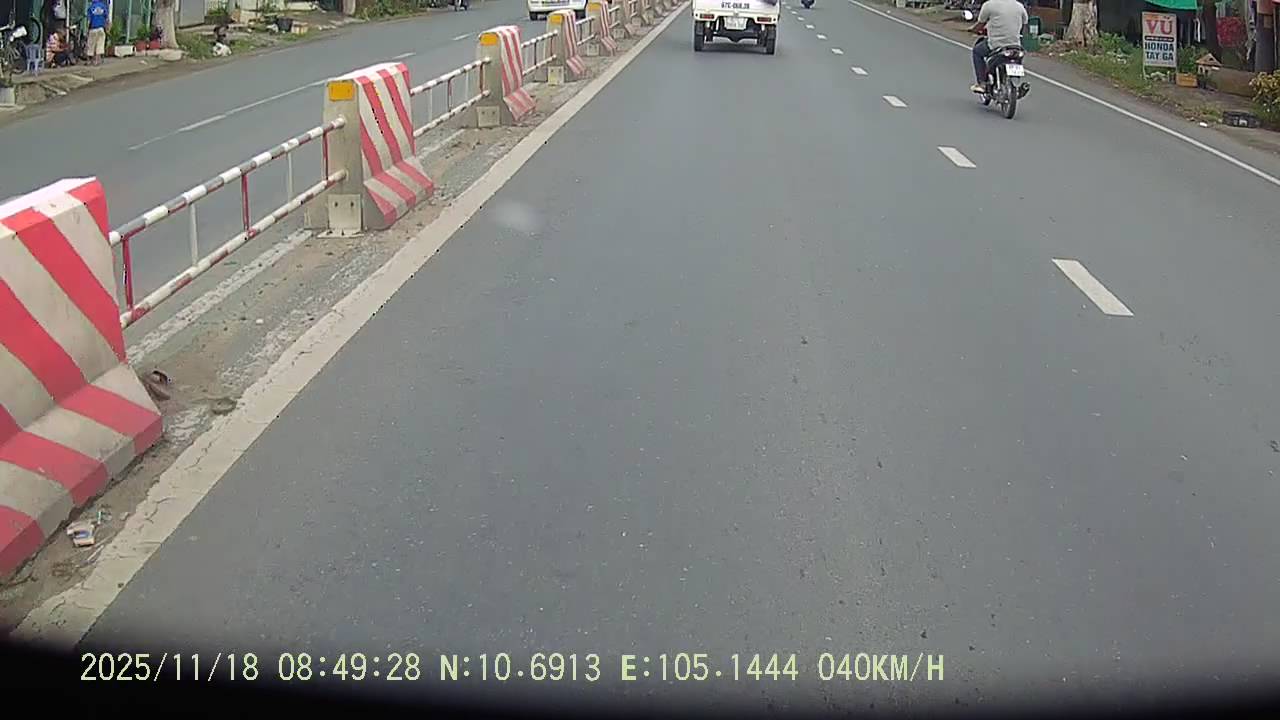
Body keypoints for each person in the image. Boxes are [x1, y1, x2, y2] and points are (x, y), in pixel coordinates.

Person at [968, 0, 1026, 94]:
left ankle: (982, 83)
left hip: (996, 44)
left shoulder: (989, 5)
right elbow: (1024, 23)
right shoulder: (1019, 6)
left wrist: (972, 29)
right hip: (1015, 46)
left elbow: (980, 24)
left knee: (977, 51)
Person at [86, 0, 109, 66]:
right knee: (100, 44)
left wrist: (87, 29)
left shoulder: (91, 7)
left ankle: (89, 61)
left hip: (93, 28)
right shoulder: (103, 6)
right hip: (101, 28)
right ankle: (96, 61)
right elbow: (107, 19)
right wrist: (107, 28)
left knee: (90, 44)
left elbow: (89, 20)